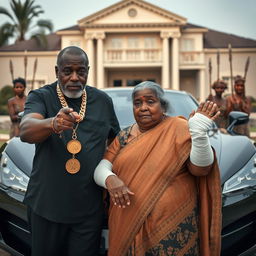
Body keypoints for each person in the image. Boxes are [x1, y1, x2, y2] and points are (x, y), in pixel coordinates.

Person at [94, 81, 222, 256]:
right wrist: (110, 179)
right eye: (137, 103)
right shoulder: (124, 136)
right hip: (128, 226)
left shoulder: (180, 128)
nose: (143, 108)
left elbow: (201, 169)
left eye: (150, 101)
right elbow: (102, 167)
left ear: (163, 106)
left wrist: (199, 134)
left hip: (172, 227)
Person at [19, 46, 120, 256]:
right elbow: (26, 130)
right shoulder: (41, 96)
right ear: (57, 71)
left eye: (80, 71)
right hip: (47, 206)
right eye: (67, 71)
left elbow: (116, 145)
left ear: (88, 72)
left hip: (88, 209)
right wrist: (52, 123)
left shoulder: (102, 101)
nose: (74, 77)